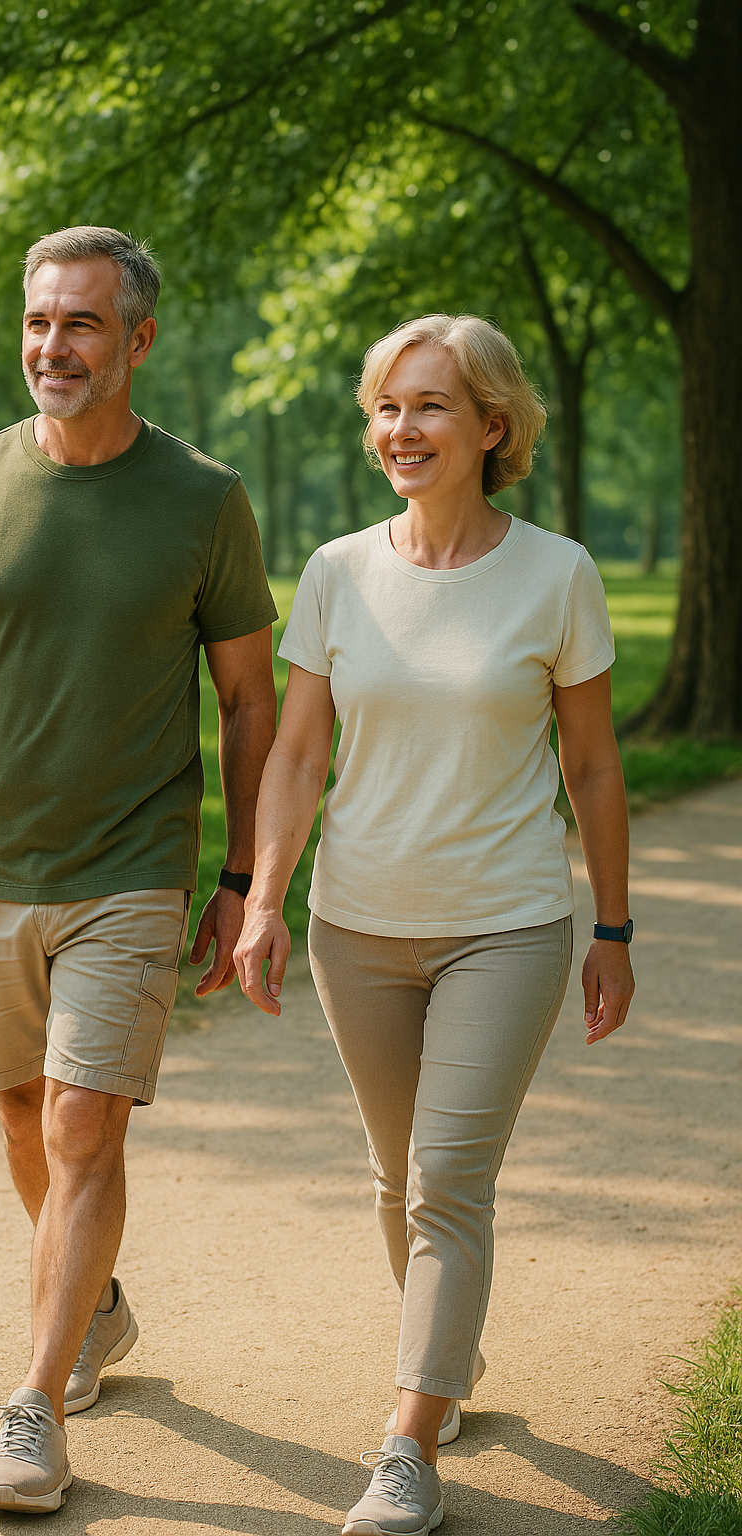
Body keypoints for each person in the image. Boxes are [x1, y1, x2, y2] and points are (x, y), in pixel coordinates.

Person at [0, 226, 278, 1514]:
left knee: (85, 1122)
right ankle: (96, 1309)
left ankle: (32, 1408)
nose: (53, 347)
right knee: (25, 1115)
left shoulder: (204, 499)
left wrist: (244, 873)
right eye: (39, 322)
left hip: (132, 864)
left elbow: (248, 702)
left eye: (82, 325)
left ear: (138, 341)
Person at [233, 314, 635, 1536]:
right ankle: (443, 1367)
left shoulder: (555, 572)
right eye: (386, 408)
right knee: (394, 1174)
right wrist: (262, 898)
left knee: (448, 1182)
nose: (399, 430)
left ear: (492, 425)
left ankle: (407, 1439)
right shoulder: (336, 570)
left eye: (429, 407)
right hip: (355, 925)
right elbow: (299, 752)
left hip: (503, 926)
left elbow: (594, 767)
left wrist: (609, 931)